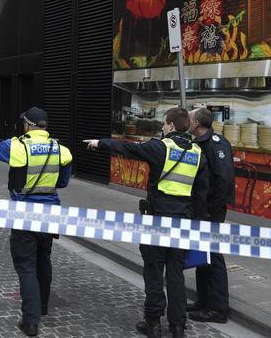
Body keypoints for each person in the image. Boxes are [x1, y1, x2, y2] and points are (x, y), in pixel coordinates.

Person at [85, 107, 209, 338]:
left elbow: (129, 148)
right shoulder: (198, 152)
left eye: (164, 124)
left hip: (157, 220)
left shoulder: (160, 147)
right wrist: (197, 223)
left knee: (153, 271)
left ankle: (153, 323)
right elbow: (202, 194)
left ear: (171, 125)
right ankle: (178, 326)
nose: (162, 128)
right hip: (182, 221)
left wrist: (100, 143)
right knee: (176, 274)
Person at [0, 107, 73, 337]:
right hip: (50, 214)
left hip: (24, 214)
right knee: (44, 260)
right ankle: (42, 307)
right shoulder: (61, 150)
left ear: (29, 125)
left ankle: (31, 321)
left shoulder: (18, 146)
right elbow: (62, 183)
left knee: (26, 267)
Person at [187, 108, 235, 323]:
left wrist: (211, 211)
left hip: (210, 212)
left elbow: (224, 180)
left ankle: (218, 309)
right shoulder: (198, 142)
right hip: (200, 210)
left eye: (189, 118)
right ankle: (203, 301)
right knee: (201, 254)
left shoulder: (216, 143)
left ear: (196, 122)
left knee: (213, 257)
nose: (186, 121)